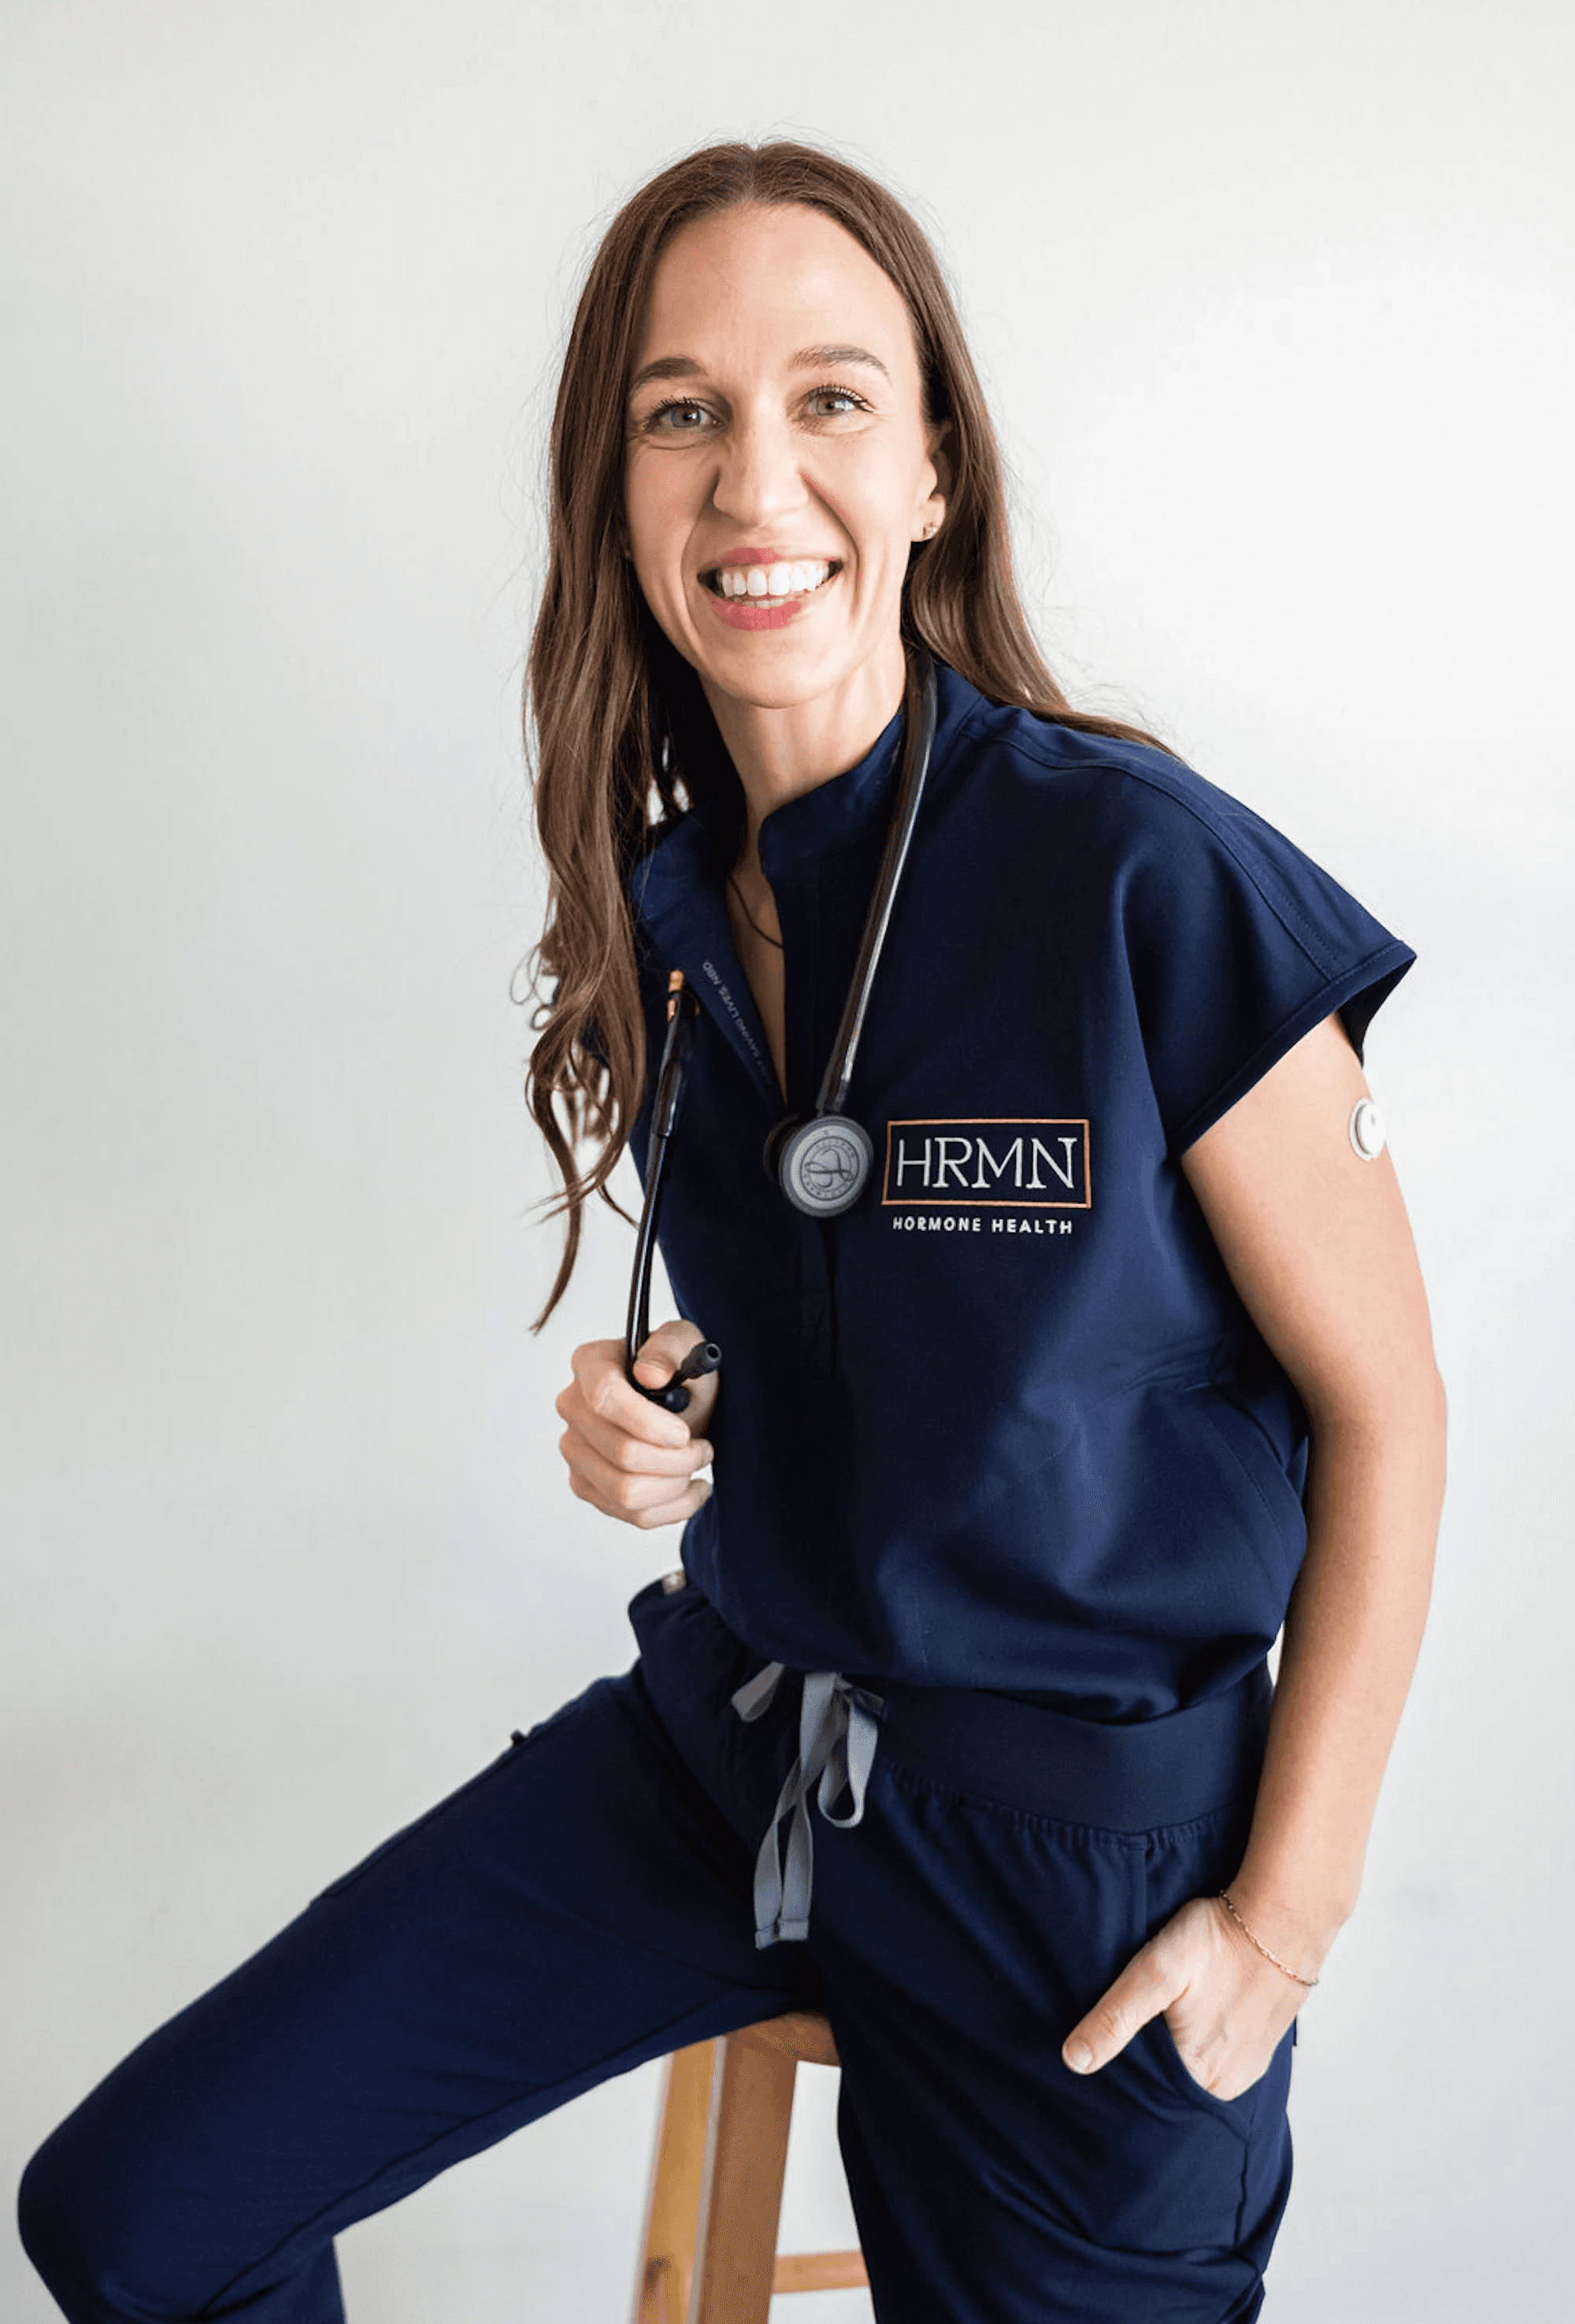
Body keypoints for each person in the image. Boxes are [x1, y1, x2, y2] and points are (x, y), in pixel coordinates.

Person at [18, 139, 1447, 2324]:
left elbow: (1390, 1408)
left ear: (939, 471)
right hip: (735, 1758)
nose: (751, 477)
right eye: (682, 410)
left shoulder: (1147, 879)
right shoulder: (675, 920)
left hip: (1074, 1871)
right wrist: (663, 1406)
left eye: (829, 399)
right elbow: (880, 1315)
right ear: (618, 486)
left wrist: (1285, 1919)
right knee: (136, 2214)